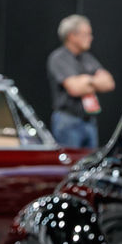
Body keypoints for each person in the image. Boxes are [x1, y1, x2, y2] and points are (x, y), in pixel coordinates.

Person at [46, 14, 114, 149]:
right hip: (68, 121)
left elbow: (109, 83)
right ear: (72, 36)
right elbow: (74, 89)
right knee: (71, 165)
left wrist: (86, 81)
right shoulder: (59, 58)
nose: (91, 38)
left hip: (89, 120)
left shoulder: (87, 58)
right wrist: (94, 81)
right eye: (87, 34)